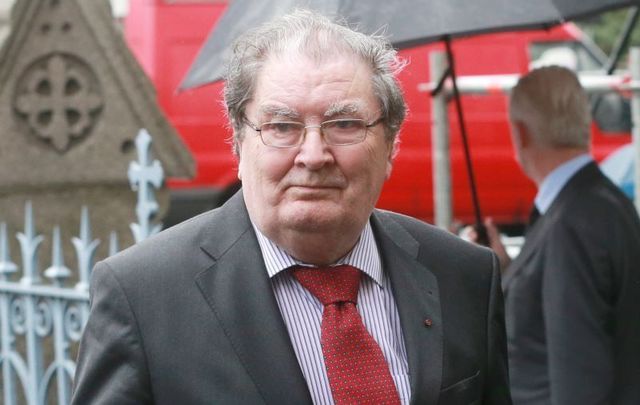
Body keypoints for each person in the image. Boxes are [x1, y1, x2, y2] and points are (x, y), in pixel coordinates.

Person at [71, 10, 511, 405]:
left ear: (391, 144)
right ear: (240, 144)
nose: (314, 154)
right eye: (282, 126)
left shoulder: (465, 276)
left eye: (344, 124)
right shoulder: (142, 296)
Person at [468, 66, 640, 404]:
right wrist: (505, 268)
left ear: (521, 133)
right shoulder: (603, 202)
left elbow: (579, 376)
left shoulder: (572, 224)